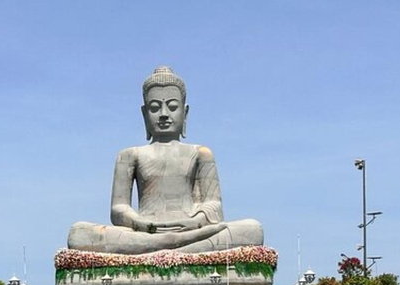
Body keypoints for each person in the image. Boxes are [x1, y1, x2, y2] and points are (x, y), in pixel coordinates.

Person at [67, 66, 263, 255]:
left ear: (184, 113)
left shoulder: (201, 153)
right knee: (80, 233)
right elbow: (119, 209)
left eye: (172, 107)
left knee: (251, 230)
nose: (163, 114)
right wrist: (141, 224)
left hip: (192, 230)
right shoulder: (129, 155)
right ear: (144, 114)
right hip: (143, 232)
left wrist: (194, 222)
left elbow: (214, 205)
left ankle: (160, 249)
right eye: (154, 108)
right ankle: (174, 248)